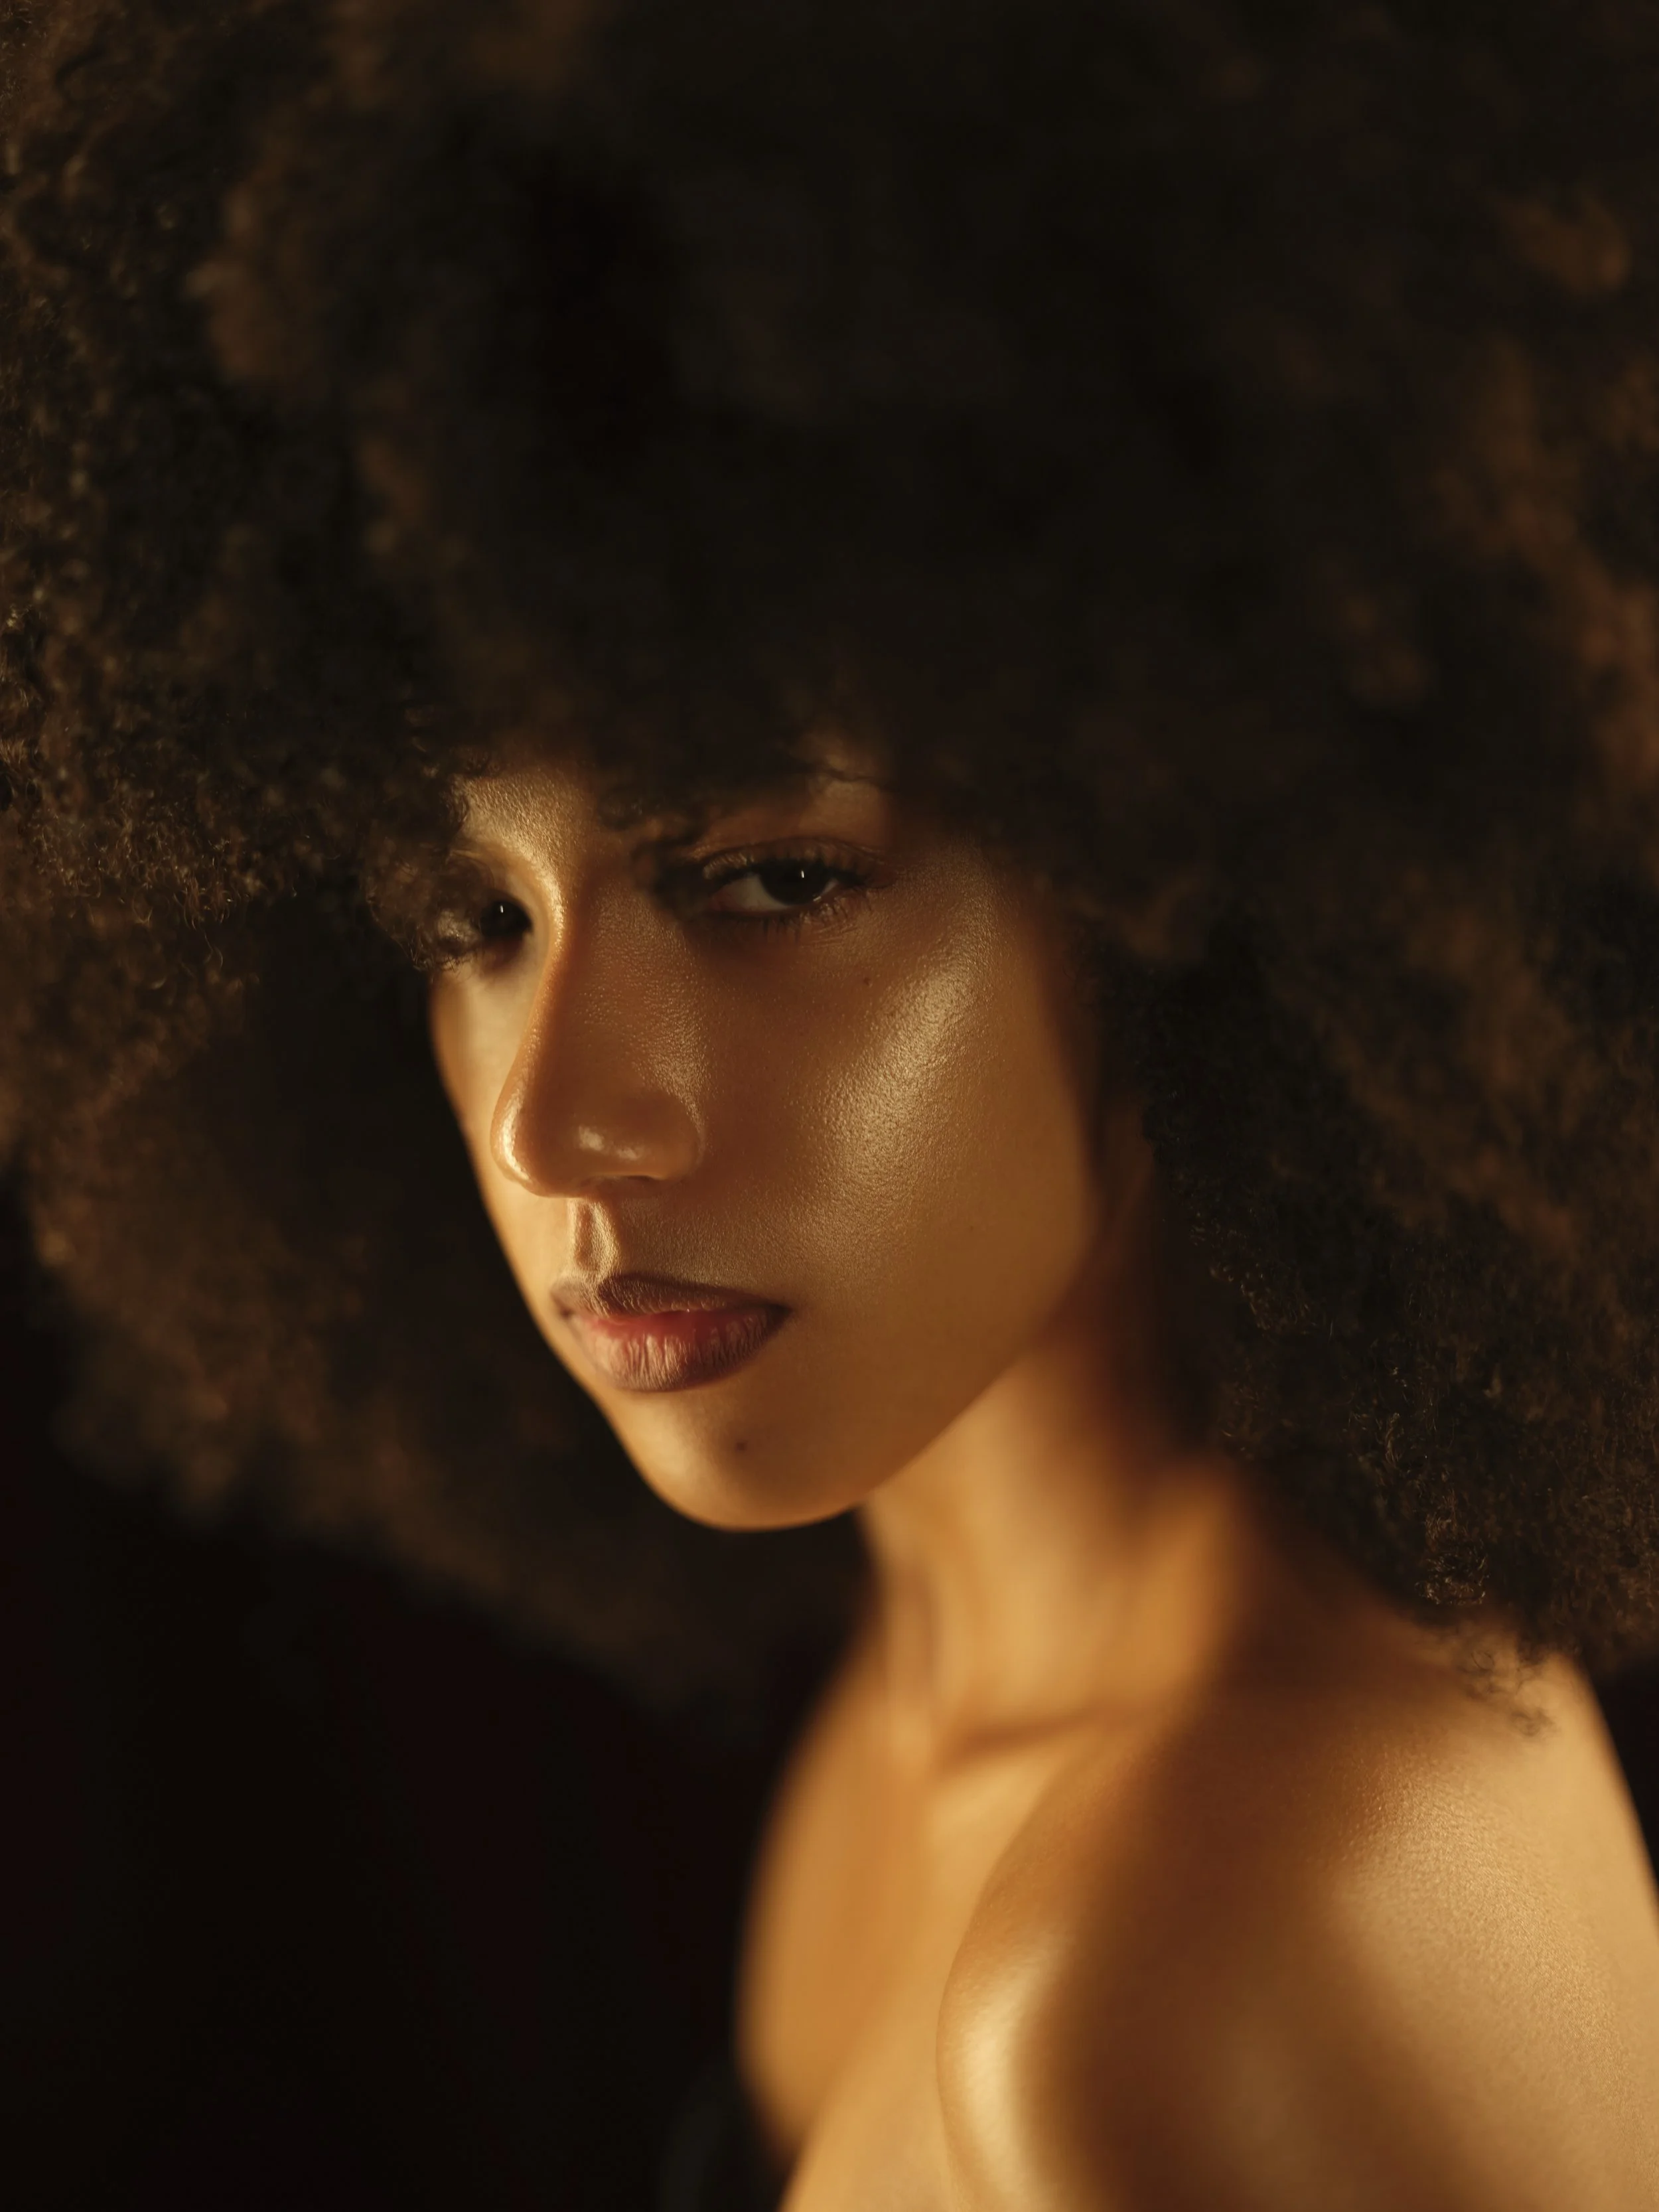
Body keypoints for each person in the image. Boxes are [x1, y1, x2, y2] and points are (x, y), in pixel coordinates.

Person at [3, 1, 1658, 2205]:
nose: (554, 1123)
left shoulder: (1201, 1956)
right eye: (470, 919)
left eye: (771, 878)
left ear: (1193, 872)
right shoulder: (934, 1711)